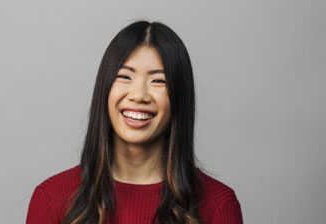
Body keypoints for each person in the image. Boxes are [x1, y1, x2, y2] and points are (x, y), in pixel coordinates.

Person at [26, 20, 243, 224]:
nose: (139, 95)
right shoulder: (52, 199)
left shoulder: (218, 206)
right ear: (105, 88)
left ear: (179, 97)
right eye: (124, 76)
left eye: (158, 80)